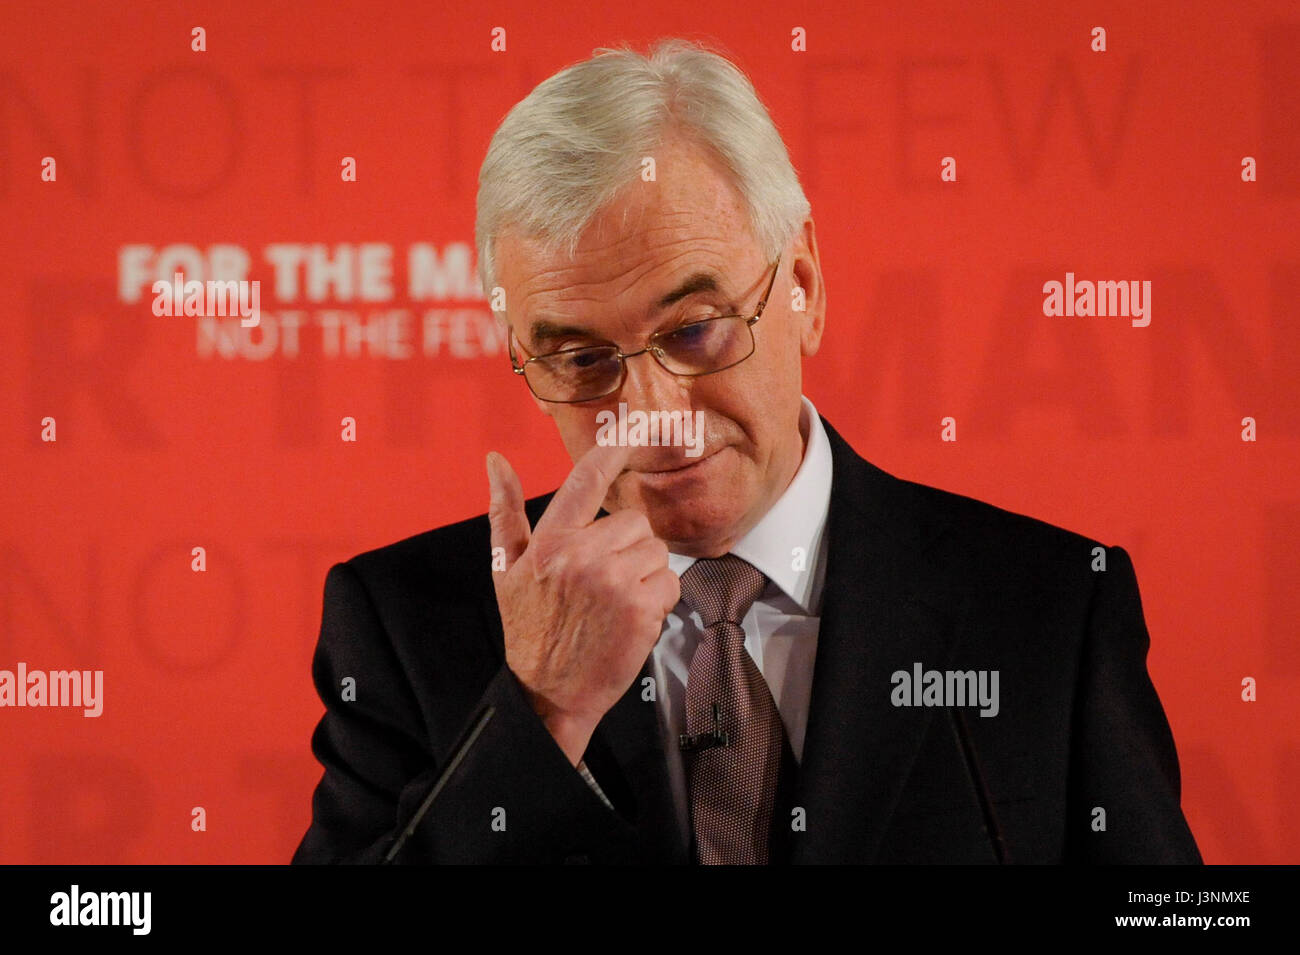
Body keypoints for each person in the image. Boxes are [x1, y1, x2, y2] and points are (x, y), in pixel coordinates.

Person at [292, 38, 1201, 864]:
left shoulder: (1044, 605)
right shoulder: (408, 623)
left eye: (693, 330)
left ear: (802, 285)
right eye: (581, 359)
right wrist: (540, 709)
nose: (651, 412)